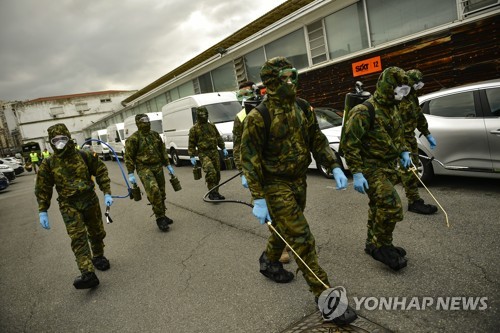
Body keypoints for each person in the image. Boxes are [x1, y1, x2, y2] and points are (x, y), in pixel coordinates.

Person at [240, 56, 356, 325]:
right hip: (274, 184)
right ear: (271, 82)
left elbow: (317, 138)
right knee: (302, 237)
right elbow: (250, 159)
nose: (290, 82)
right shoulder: (259, 117)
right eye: (284, 78)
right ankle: (325, 296)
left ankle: (269, 261)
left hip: (298, 180)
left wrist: (334, 165)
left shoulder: (303, 107)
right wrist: (258, 197)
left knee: (285, 228)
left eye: (293, 76)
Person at [340, 66, 412, 271]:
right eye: (400, 90)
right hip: (370, 168)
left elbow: (398, 135)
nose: (402, 95)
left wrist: (403, 151)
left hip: (389, 166)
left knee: (377, 206)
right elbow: (349, 143)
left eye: (406, 91)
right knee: (392, 206)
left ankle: (372, 243)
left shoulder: (393, 108)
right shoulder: (363, 111)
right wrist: (356, 172)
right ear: (388, 87)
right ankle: (383, 246)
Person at [35, 123, 113, 289]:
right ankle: (87, 273)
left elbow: (100, 170)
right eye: (56, 140)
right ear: (51, 142)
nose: (60, 143)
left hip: (90, 200)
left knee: (97, 231)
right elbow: (43, 188)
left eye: (63, 138)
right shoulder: (49, 164)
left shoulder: (83, 155)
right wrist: (43, 210)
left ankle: (98, 256)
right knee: (78, 238)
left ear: (69, 138)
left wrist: (106, 192)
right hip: (69, 205)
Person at [233, 81, 291, 264]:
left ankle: (285, 240)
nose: (250, 94)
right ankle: (280, 247)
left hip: (278, 167)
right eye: (245, 92)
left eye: (252, 91)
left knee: (287, 206)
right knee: (272, 210)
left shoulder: (269, 108)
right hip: (257, 169)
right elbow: (237, 148)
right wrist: (242, 171)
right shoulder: (241, 117)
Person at [125, 114, 176, 232]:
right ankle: (159, 218)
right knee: (154, 191)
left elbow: (162, 151)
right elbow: (129, 157)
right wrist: (130, 173)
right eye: (143, 121)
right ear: (138, 123)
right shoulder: (133, 139)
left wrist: (168, 165)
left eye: (147, 120)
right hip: (144, 168)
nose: (146, 123)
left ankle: (162, 214)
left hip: (157, 166)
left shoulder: (155, 135)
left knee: (162, 192)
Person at [399, 69, 438, 214]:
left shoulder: (412, 96)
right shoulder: (399, 98)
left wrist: (427, 133)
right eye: (416, 84)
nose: (418, 87)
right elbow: (394, 124)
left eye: (419, 84)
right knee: (409, 170)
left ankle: (388, 192)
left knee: (410, 168)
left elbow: (419, 116)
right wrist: (402, 148)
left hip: (410, 137)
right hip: (399, 139)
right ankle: (414, 202)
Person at [188, 107, 228, 200]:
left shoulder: (212, 126)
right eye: (202, 115)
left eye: (205, 114)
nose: (204, 116)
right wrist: (192, 155)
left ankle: (216, 193)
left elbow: (218, 137)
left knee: (217, 174)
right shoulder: (194, 129)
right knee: (211, 172)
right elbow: (191, 143)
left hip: (214, 152)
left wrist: (223, 147)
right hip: (203, 153)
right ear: (198, 116)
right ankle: (211, 193)